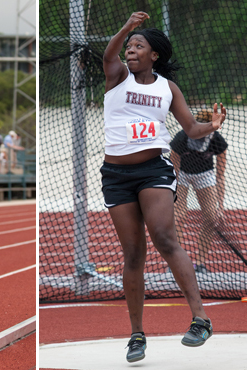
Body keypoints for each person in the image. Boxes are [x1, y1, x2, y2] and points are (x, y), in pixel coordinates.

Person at [101, 11, 224, 363]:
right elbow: (109, 54)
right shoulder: (117, 75)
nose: (131, 50)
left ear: (155, 55)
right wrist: (126, 27)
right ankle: (137, 334)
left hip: (154, 169)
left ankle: (200, 318)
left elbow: (190, 128)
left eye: (139, 46)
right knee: (133, 254)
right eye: (130, 46)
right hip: (115, 174)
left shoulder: (167, 88)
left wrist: (210, 125)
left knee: (165, 237)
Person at [170, 109, 228, 274]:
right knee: (179, 216)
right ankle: (176, 264)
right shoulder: (181, 138)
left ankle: (200, 263)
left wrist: (221, 206)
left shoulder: (217, 141)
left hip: (204, 175)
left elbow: (220, 176)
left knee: (211, 217)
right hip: (181, 174)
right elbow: (173, 171)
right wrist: (172, 198)